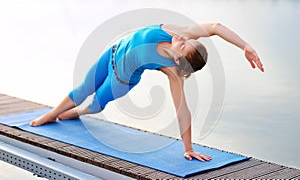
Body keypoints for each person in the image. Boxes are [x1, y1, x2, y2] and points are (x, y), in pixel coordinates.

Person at [30, 23, 264, 162]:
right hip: (110, 54)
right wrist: (245, 46)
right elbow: (214, 27)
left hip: (121, 80)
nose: (182, 39)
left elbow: (182, 110)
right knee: (83, 89)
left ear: (178, 59)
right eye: (187, 40)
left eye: (183, 45)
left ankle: (80, 112)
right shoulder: (175, 31)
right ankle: (51, 115)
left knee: (96, 105)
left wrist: (189, 149)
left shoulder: (173, 72)